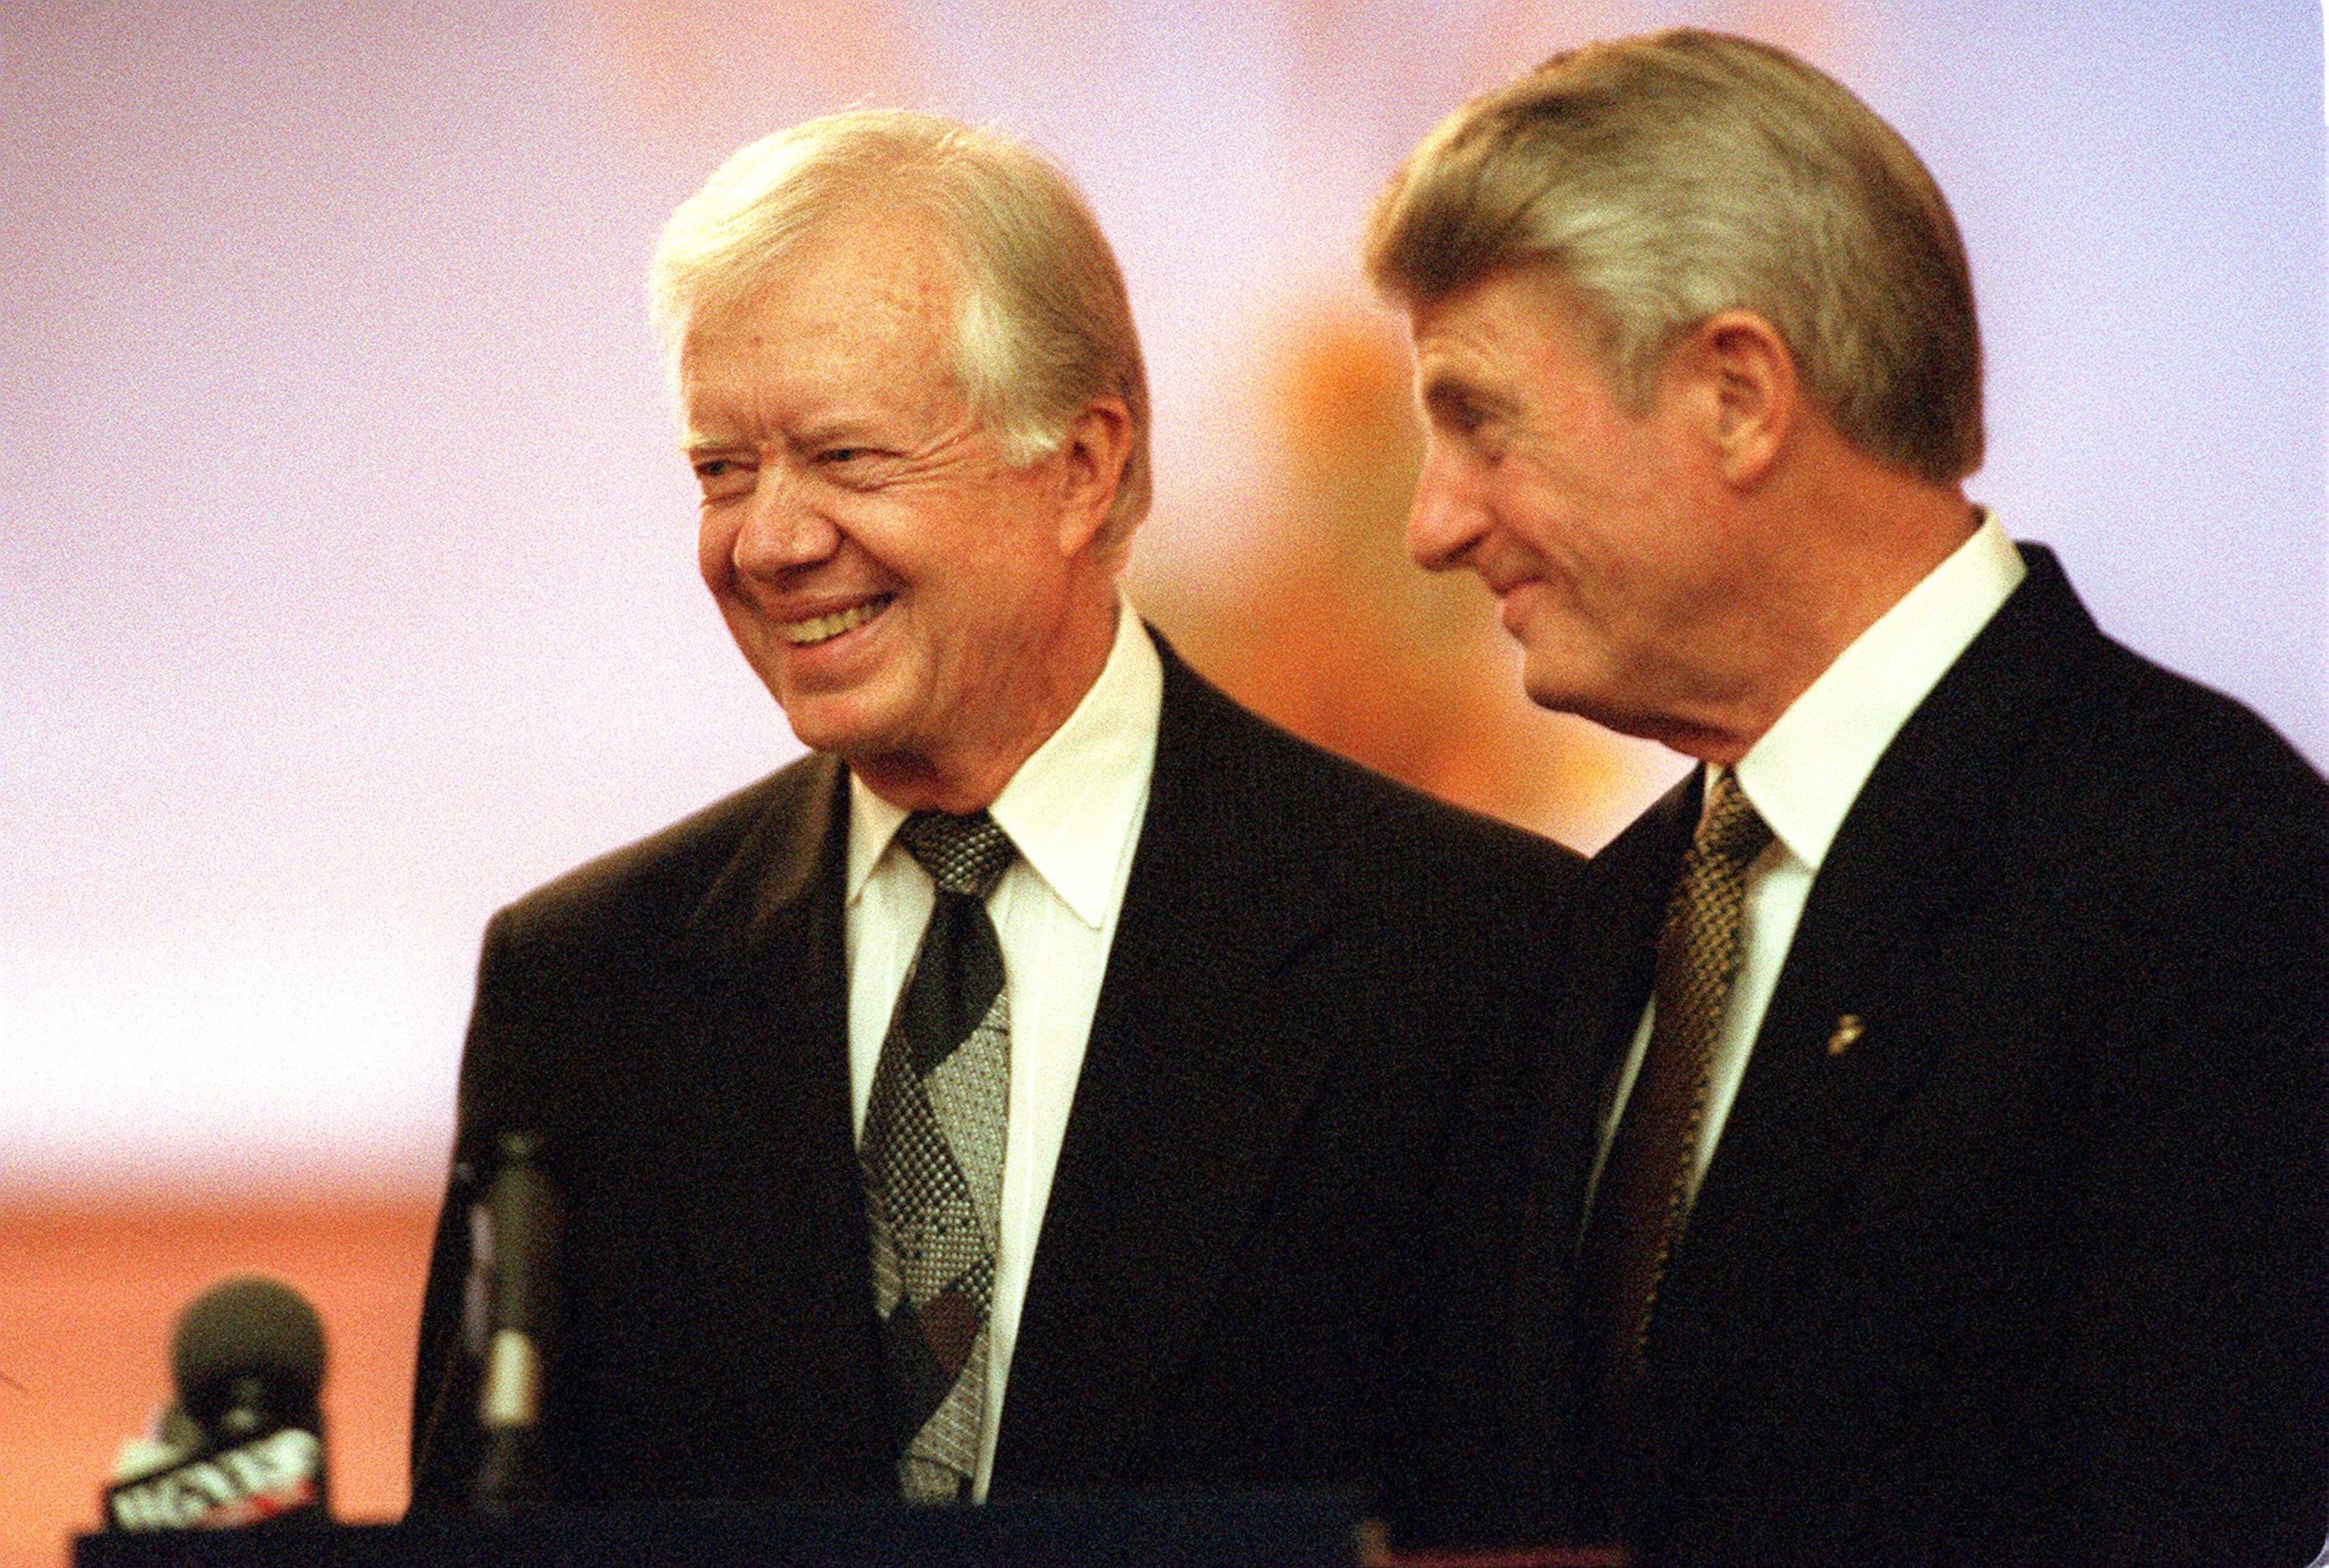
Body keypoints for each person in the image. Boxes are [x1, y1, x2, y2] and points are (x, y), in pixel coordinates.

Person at [408, 110, 1580, 1516]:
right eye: (723, 469)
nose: (768, 542)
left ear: (1083, 467)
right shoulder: (590, 987)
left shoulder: (1468, 953)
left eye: (845, 459)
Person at [1365, 29, 2328, 1567]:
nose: (1433, 523)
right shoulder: (1609, 925)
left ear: (1738, 395)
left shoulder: (2209, 873)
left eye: (1483, 423)